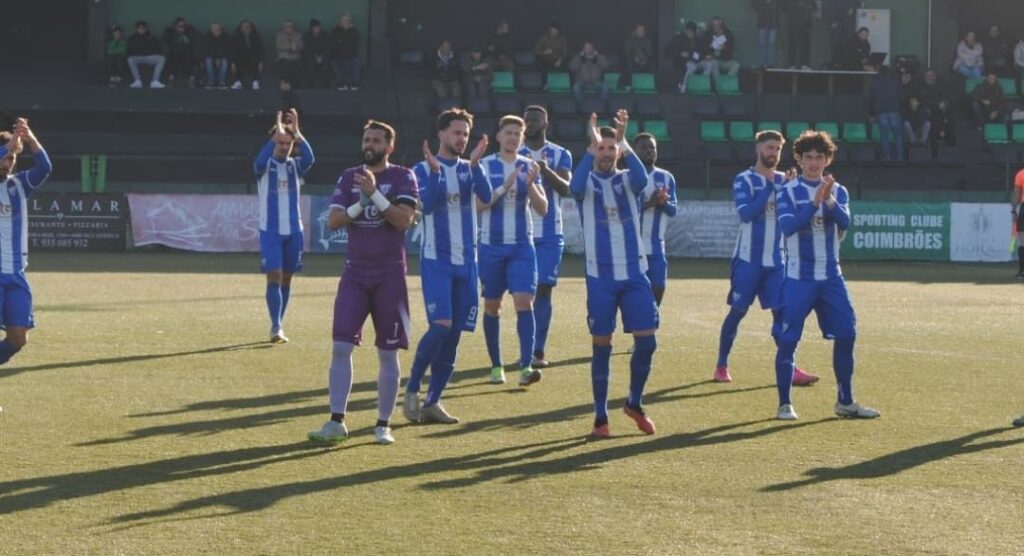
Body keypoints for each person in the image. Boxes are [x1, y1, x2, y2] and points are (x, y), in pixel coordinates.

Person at [307, 120, 419, 446]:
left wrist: (375, 195)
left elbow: (403, 221)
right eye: (366, 139)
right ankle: (336, 420)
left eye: (376, 140)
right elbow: (334, 222)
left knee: (388, 353)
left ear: (389, 146)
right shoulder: (348, 176)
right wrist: (362, 201)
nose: (369, 144)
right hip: (354, 274)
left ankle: (383, 424)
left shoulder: (402, 177)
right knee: (341, 346)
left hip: (390, 276)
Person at [773, 130, 879, 421]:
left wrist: (828, 200)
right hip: (798, 277)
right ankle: (784, 403)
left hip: (832, 277)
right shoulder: (788, 190)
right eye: (808, 157)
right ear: (799, 158)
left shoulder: (838, 190)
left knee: (847, 334)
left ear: (827, 159)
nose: (814, 162)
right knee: (788, 339)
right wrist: (812, 203)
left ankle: (845, 401)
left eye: (819, 157)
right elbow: (788, 228)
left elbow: (844, 221)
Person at [570, 110, 660, 438]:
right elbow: (574, 187)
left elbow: (642, 180)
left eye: (611, 148)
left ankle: (634, 403)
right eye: (601, 148)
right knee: (602, 345)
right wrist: (590, 151)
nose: (606, 153)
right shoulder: (587, 182)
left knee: (648, 343)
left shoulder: (626, 180)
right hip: (600, 277)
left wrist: (624, 141)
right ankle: (600, 418)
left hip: (635, 274)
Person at [404, 109, 491, 424]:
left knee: (454, 334)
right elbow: (426, 203)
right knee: (440, 326)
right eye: (456, 132)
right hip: (437, 261)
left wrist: (477, 166)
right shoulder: (421, 169)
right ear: (441, 134)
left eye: (465, 134)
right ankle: (412, 388)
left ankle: (433, 401)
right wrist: (437, 172)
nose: (461, 139)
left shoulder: (470, 168)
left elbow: (485, 196)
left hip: (468, 263)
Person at [714, 131, 818, 386]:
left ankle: (790, 368)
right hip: (747, 260)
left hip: (776, 262)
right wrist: (772, 187)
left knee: (781, 314)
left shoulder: (787, 181)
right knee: (738, 311)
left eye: (778, 149)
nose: (773, 153)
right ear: (758, 148)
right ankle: (721, 364)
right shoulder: (744, 180)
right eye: (770, 147)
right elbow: (746, 214)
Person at [476, 116, 547, 387]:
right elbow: (478, 206)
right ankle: (496, 366)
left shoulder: (530, 166)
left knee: (524, 302)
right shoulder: (485, 165)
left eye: (518, 133)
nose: (513, 138)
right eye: (508, 132)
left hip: (521, 246)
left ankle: (526, 367)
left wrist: (529, 186)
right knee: (493, 306)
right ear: (499, 136)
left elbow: (543, 209)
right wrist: (505, 187)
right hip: (491, 247)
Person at [253, 109, 314, 344]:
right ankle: (275, 325)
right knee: (275, 275)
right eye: (279, 142)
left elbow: (310, 159)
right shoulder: (264, 166)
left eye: (287, 143)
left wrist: (298, 133)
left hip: (294, 231)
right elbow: (259, 161)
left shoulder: (295, 166)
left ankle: (279, 322)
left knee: (287, 278)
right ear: (273, 142)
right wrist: (274, 135)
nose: (284, 146)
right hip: (270, 231)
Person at [519, 106, 572, 368]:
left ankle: (537, 351)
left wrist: (544, 171)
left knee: (544, 290)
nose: (530, 123)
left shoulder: (561, 154)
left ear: (546, 123)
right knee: (523, 293)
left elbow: (566, 189)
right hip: (520, 233)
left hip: (551, 233)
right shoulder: (513, 154)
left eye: (535, 119)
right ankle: (526, 347)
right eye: (527, 119)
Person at [0, 119, 52, 374]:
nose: (8, 162)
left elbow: (45, 167)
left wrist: (29, 139)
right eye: (5, 157)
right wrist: (9, 145)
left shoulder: (19, 185)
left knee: (18, 338)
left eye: (11, 158)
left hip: (16, 274)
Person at [633, 133, 677, 309]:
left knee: (658, 287)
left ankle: (651, 322)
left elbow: (673, 210)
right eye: (643, 148)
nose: (649, 151)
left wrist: (662, 202)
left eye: (652, 148)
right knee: (635, 289)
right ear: (634, 151)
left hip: (656, 245)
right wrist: (648, 204)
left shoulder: (666, 177)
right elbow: (622, 211)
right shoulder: (627, 176)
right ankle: (637, 326)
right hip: (632, 244)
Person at [869, 66, 905, 161]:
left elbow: (871, 99)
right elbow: (902, 97)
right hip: (895, 111)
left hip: (881, 112)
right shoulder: (896, 82)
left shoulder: (875, 83)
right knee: (898, 136)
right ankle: (900, 157)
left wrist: (871, 113)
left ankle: (886, 157)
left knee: (884, 136)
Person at [699, 16, 740, 85]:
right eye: (713, 25)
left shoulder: (727, 34)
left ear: (721, 25)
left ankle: (727, 84)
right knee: (714, 63)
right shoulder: (708, 34)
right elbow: (702, 48)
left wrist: (724, 48)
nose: (715, 27)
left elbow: (731, 47)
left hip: (724, 59)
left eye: (717, 25)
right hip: (713, 59)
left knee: (736, 65)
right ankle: (718, 85)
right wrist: (710, 47)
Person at [126, 20, 166, 89]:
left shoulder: (152, 38)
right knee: (130, 59)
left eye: (143, 28)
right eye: (139, 28)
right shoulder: (132, 38)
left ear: (146, 29)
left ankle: (155, 81)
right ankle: (137, 81)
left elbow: (157, 49)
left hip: (150, 57)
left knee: (162, 58)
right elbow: (129, 51)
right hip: (138, 58)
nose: (141, 30)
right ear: (137, 29)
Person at [570, 40, 609, 104]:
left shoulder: (599, 57)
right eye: (586, 48)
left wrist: (597, 58)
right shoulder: (578, 57)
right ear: (583, 49)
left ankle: (602, 108)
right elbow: (572, 68)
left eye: (590, 48)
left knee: (605, 86)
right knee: (576, 87)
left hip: (596, 83)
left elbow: (606, 67)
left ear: (593, 49)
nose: (588, 50)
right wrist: (580, 58)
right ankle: (580, 109)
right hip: (582, 83)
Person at [824, 0, 861, 69]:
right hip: (836, 25)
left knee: (846, 45)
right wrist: (832, 21)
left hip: (847, 26)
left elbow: (858, 3)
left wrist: (852, 8)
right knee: (836, 45)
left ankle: (844, 64)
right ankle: (836, 63)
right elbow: (828, 9)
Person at [666, 21, 700, 93]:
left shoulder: (696, 40)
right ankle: (684, 85)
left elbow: (700, 52)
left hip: (696, 60)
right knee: (693, 66)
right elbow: (669, 50)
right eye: (689, 31)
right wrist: (680, 53)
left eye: (692, 32)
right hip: (682, 61)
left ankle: (701, 83)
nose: (690, 33)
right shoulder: (678, 38)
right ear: (686, 30)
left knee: (709, 64)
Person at [164, 17, 198, 87]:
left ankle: (191, 79)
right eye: (180, 26)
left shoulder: (188, 32)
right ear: (175, 26)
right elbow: (165, 38)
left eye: (184, 26)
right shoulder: (171, 32)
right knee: (172, 58)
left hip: (187, 53)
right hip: (175, 53)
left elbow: (195, 36)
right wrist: (169, 29)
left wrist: (189, 27)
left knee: (190, 58)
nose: (182, 28)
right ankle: (171, 79)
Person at [330, 14, 361, 91]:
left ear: (350, 22)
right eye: (343, 20)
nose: (345, 22)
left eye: (347, 20)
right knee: (335, 63)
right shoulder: (335, 30)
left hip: (351, 56)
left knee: (357, 63)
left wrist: (350, 29)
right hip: (338, 56)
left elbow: (354, 41)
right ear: (340, 21)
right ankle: (341, 83)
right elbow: (334, 42)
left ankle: (354, 84)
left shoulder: (354, 31)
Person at [231, 19, 264, 90]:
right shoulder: (236, 36)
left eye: (248, 27)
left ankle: (255, 82)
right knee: (237, 59)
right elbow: (233, 50)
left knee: (254, 57)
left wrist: (261, 61)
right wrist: (232, 62)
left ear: (251, 28)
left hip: (253, 57)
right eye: (244, 27)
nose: (246, 29)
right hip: (240, 57)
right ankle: (238, 82)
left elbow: (260, 50)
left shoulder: (256, 36)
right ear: (240, 28)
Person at [783, 0, 815, 70]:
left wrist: (807, 6)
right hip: (792, 23)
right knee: (792, 44)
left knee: (806, 45)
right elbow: (784, 5)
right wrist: (796, 5)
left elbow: (814, 6)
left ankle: (805, 64)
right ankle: (792, 64)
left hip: (805, 23)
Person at [621, 24, 653, 90]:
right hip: (631, 60)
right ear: (636, 31)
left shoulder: (647, 40)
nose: (642, 31)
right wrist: (634, 58)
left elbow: (649, 53)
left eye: (643, 30)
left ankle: (651, 87)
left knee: (651, 65)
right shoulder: (629, 39)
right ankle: (628, 85)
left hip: (643, 60)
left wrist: (644, 60)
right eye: (640, 30)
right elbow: (626, 52)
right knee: (629, 65)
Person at [303, 19, 332, 89]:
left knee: (326, 63)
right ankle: (311, 82)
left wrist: (322, 56)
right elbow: (307, 49)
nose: (317, 29)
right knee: (310, 62)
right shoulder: (307, 36)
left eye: (318, 27)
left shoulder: (325, 35)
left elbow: (327, 47)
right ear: (312, 28)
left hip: (323, 55)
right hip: (312, 56)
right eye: (315, 27)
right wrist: (316, 57)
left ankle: (326, 81)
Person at [202, 23, 231, 89]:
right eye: (214, 29)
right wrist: (215, 58)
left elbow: (227, 50)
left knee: (224, 61)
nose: (216, 30)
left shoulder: (226, 38)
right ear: (211, 30)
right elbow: (205, 51)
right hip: (210, 58)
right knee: (208, 60)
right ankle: (211, 82)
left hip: (222, 58)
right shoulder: (206, 38)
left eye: (218, 29)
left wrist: (219, 58)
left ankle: (221, 82)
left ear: (221, 30)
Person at [752, 0, 780, 68]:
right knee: (762, 44)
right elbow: (754, 5)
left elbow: (780, 6)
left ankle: (769, 64)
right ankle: (761, 63)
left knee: (771, 44)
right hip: (762, 22)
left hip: (773, 23)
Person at [276, 20, 304, 87]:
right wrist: (288, 46)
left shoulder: (297, 34)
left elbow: (302, 45)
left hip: (295, 56)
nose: (289, 28)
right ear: (284, 28)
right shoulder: (280, 34)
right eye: (287, 27)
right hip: (284, 56)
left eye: (291, 27)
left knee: (298, 64)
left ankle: (295, 85)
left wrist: (296, 47)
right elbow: (278, 45)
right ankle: (286, 84)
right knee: (285, 64)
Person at [1013, 168, 1024, 279]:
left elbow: (1016, 193)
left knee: (1022, 241)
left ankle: (1022, 271)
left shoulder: (1021, 174)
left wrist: (1014, 210)